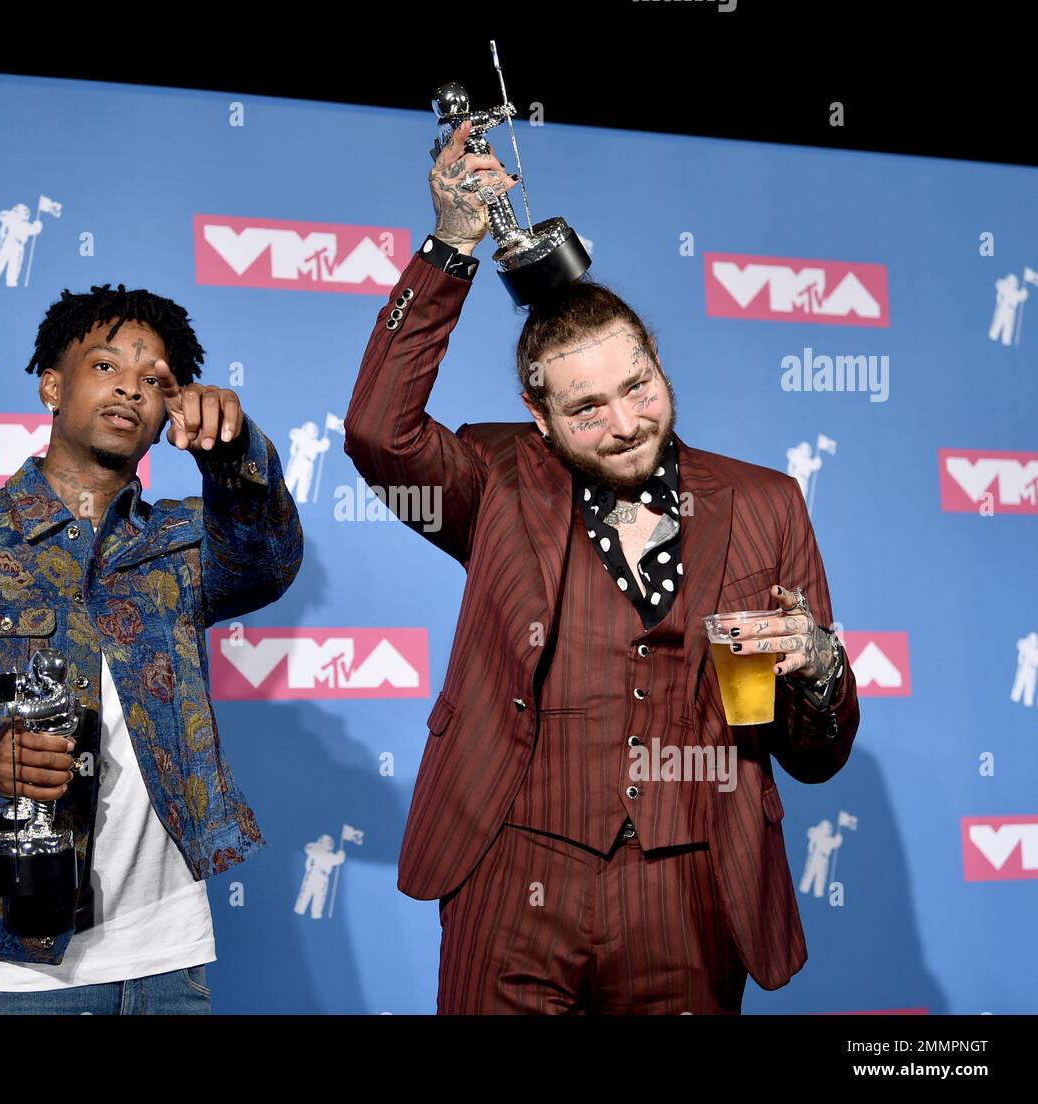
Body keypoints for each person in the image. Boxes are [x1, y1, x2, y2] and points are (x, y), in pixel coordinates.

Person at [343, 120, 859, 1014]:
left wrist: (819, 667)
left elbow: (816, 756)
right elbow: (378, 432)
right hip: (512, 872)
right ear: (537, 416)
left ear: (658, 365)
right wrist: (452, 243)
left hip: (690, 890)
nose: (625, 422)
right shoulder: (496, 480)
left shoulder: (766, 501)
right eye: (587, 407)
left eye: (639, 387)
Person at [0, 283, 303, 1014]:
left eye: (155, 380)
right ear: (52, 386)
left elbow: (269, 562)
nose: (131, 386)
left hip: (169, 965)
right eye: (106, 366)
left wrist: (235, 455)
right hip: (13, 970)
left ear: (167, 417)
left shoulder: (183, 542)